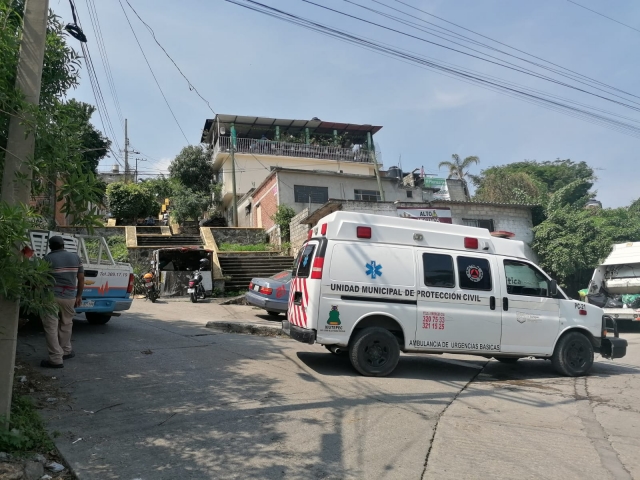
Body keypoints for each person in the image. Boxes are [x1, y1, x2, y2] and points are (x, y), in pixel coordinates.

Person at [40, 236, 84, 368]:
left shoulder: (47, 259)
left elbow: (41, 279)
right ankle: (65, 351)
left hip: (51, 297)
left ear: (50, 246)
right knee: (66, 324)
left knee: (51, 327)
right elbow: (81, 279)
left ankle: (55, 359)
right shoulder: (75, 257)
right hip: (69, 297)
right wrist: (79, 296)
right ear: (63, 245)